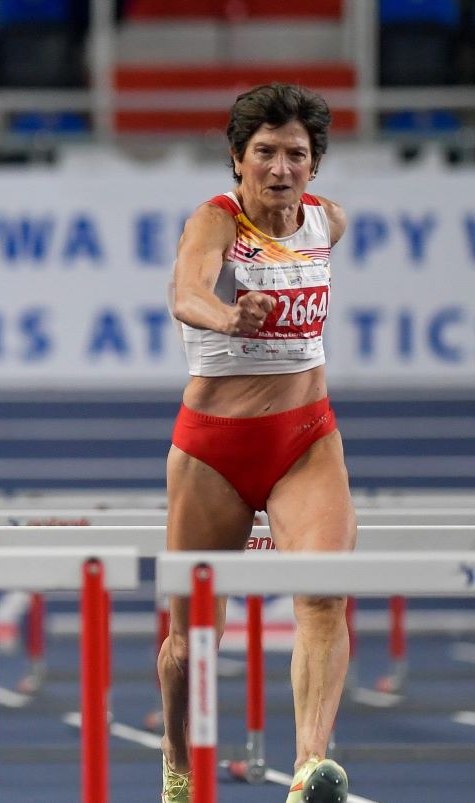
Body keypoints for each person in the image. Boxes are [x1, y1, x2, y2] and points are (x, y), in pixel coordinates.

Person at [158, 83, 352, 803]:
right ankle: (178, 759)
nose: (279, 168)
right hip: (213, 448)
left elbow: (323, 237)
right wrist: (227, 318)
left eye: (295, 154)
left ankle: (309, 767)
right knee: (189, 644)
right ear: (237, 160)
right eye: (264, 153)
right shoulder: (216, 220)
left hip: (306, 437)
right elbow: (186, 292)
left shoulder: (327, 222)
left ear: (315, 164)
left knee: (325, 598)